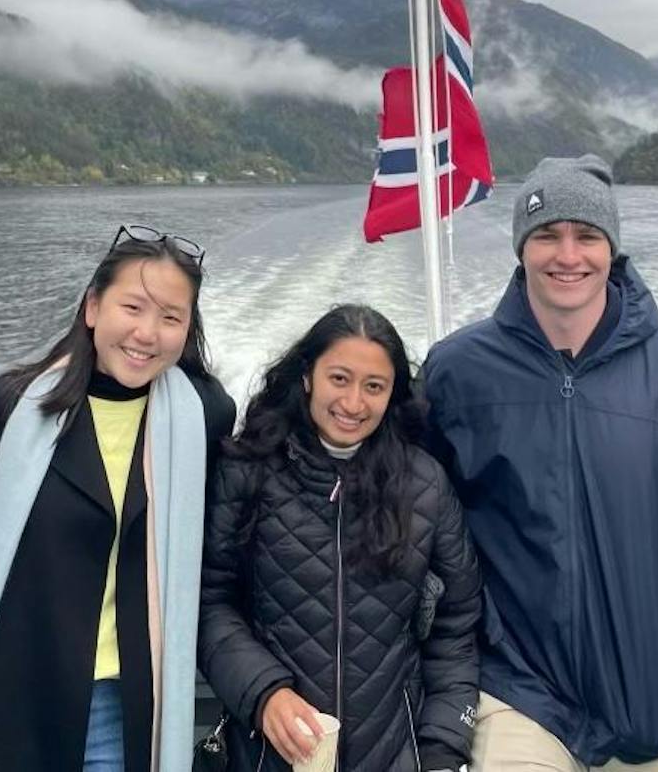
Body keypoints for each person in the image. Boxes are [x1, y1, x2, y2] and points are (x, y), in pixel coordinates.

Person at [422, 155, 658, 772]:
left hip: (650, 702)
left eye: (586, 236)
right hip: (517, 692)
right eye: (547, 235)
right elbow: (409, 512)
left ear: (611, 249)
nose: (568, 255)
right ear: (521, 248)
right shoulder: (457, 372)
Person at [0, 224, 235, 772]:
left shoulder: (204, 418)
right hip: (14, 694)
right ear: (93, 306)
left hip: (125, 704)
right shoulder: (11, 408)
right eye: (132, 307)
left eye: (170, 317)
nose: (146, 333)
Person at [200, 304, 482, 772]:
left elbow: (455, 631)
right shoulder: (247, 472)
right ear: (307, 376)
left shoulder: (426, 487)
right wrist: (264, 693)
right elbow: (210, 602)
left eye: (374, 387)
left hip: (398, 756)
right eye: (339, 379)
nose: (353, 404)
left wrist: (442, 751)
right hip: (268, 755)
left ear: (393, 395)